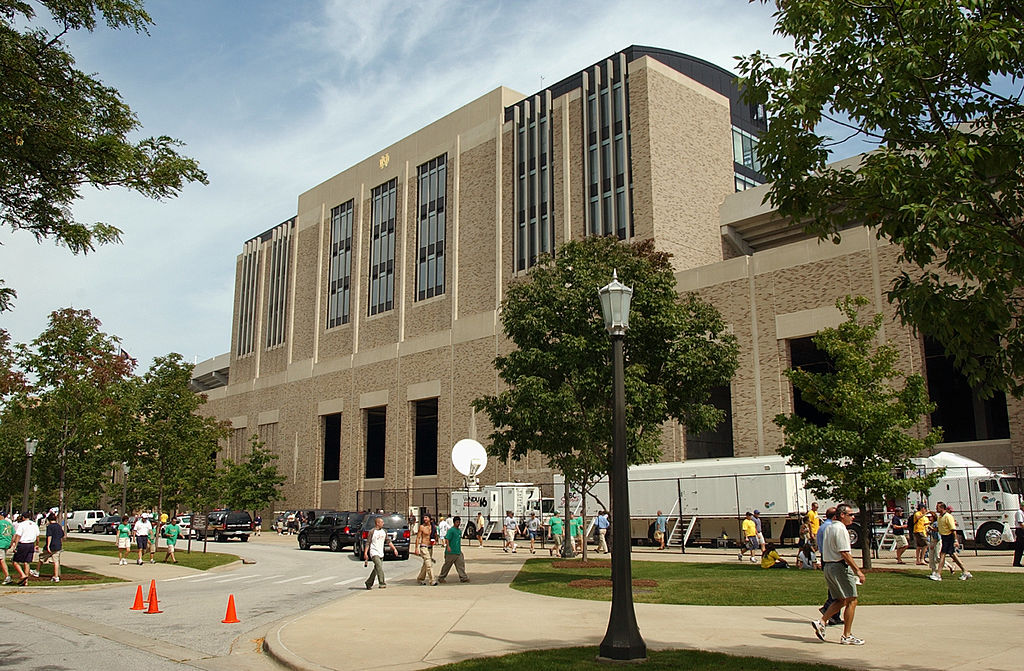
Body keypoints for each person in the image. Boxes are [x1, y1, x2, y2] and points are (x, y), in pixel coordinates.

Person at [811, 503, 866, 646]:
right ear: (842, 515)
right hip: (839, 566)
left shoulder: (829, 527)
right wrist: (857, 571)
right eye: (850, 515)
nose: (853, 518)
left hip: (828, 565)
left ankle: (821, 622)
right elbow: (844, 553)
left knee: (840, 599)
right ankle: (847, 636)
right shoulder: (841, 529)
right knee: (852, 600)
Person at [931, 501, 972, 581]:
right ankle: (965, 571)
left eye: (937, 507)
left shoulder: (948, 516)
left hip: (949, 537)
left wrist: (955, 540)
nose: (936, 508)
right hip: (944, 537)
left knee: (942, 555)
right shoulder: (940, 517)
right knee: (952, 555)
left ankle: (938, 574)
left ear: (942, 508)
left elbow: (953, 529)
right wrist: (932, 529)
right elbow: (940, 529)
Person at [815, 507, 842, 626]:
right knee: (836, 588)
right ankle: (828, 609)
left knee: (834, 587)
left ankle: (834, 615)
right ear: (835, 516)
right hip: (831, 559)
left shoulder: (823, 526)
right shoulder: (831, 527)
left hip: (826, 557)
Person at [363, 516, 398, 589]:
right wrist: (365, 553)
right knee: (379, 566)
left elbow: (388, 541)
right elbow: (368, 543)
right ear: (377, 523)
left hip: (381, 552)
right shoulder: (372, 532)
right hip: (374, 552)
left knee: (377, 569)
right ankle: (382, 583)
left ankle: (369, 583)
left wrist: (394, 549)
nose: (383, 523)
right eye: (382, 522)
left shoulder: (384, 531)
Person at [438, 516, 470, 583]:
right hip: (451, 552)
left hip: (458, 551)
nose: (458, 523)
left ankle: (463, 577)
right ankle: (441, 577)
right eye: (457, 522)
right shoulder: (451, 530)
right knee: (447, 565)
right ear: (454, 522)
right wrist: (448, 546)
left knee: (460, 564)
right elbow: (447, 539)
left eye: (459, 522)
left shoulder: (459, 531)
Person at [11, 514, 40, 586]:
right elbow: (37, 536)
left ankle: (23, 575)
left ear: (23, 517)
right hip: (31, 544)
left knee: (15, 561)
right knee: (27, 562)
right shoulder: (34, 524)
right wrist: (37, 544)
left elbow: (18, 535)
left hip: (23, 544)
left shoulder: (22, 524)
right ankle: (26, 581)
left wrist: (15, 545)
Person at [37, 513, 64, 582]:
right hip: (58, 546)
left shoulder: (50, 526)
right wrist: (61, 544)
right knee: (56, 561)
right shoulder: (59, 526)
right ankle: (56, 576)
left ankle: (37, 571)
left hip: (51, 545)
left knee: (41, 557)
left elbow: (49, 536)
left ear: (49, 520)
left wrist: (48, 546)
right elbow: (61, 536)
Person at [414, 513, 436, 586]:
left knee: (425, 564)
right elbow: (418, 538)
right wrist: (416, 548)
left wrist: (435, 540)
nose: (425, 519)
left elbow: (436, 536)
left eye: (426, 517)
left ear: (429, 518)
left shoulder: (433, 527)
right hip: (423, 546)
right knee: (429, 563)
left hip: (430, 547)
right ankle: (432, 580)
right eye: (424, 517)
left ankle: (420, 578)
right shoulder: (422, 527)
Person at [0, 510, 14, 585]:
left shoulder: (0, 523)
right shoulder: (9, 524)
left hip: (1, 543)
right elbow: (13, 534)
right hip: (6, 543)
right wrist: (11, 543)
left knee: (1, 560)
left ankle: (7, 577)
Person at [1012, 500, 1024, 568]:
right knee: (1020, 547)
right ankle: (1016, 562)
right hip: (1020, 531)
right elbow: (1021, 523)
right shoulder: (1019, 513)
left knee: (1020, 548)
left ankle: (1017, 562)